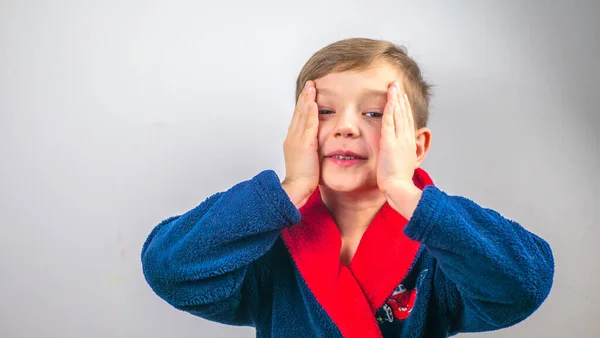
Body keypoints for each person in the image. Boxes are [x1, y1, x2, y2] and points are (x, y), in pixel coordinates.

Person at [140, 38, 554, 338]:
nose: (346, 126)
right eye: (324, 111)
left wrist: (406, 192)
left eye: (375, 112)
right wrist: (289, 189)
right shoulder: (265, 239)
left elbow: (524, 284)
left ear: (418, 145)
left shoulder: (440, 243)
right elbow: (169, 269)